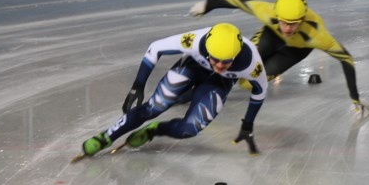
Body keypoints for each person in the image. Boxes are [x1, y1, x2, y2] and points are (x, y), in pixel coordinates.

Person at [74, 22, 267, 161]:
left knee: (190, 129)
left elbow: (260, 91)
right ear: (207, 49)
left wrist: (247, 125)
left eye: (226, 62)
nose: (218, 65)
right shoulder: (195, 41)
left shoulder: (251, 63)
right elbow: (155, 48)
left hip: (219, 83)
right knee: (154, 106)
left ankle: (154, 130)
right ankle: (106, 137)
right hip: (191, 67)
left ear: (238, 53)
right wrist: (138, 85)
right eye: (214, 59)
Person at [189, 0, 369, 116]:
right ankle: (192, 91)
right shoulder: (267, 12)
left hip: (296, 50)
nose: (287, 28)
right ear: (276, 16)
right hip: (272, 35)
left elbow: (346, 59)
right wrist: (208, 4)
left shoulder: (316, 34)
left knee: (247, 84)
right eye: (284, 22)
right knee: (237, 63)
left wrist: (355, 96)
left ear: (302, 20)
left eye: (293, 23)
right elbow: (238, 2)